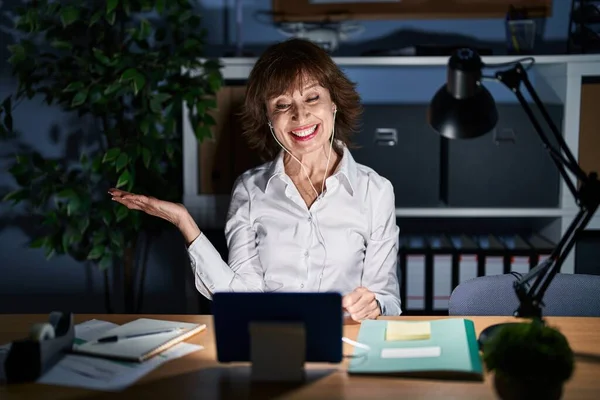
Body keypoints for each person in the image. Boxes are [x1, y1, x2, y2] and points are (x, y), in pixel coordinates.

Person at [109, 38, 402, 321]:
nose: (300, 115)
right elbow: (242, 296)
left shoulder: (375, 191)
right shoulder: (250, 190)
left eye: (313, 97)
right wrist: (184, 222)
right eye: (282, 105)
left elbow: (388, 299)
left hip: (347, 346)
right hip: (271, 340)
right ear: (268, 118)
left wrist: (373, 304)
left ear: (334, 104)